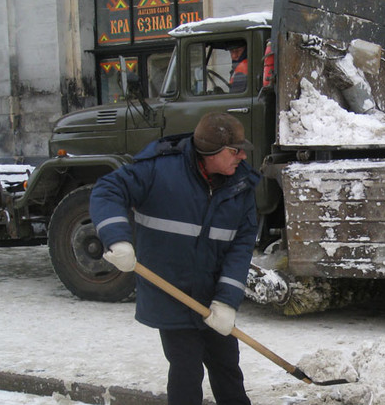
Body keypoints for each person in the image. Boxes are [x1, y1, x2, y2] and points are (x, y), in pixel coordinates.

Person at [90, 111, 259, 405]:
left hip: (211, 295)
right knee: (186, 369)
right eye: (235, 150)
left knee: (227, 365)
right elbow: (107, 190)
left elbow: (240, 248)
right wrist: (117, 237)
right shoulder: (159, 170)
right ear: (212, 151)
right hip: (170, 292)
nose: (242, 156)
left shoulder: (241, 187)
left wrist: (226, 301)